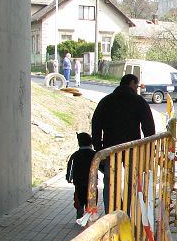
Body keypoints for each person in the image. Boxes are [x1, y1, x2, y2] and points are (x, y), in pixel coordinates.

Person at [91, 73, 156, 209]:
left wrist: (98, 148)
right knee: (131, 180)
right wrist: (150, 148)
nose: (137, 88)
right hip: (131, 148)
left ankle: (111, 212)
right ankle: (127, 211)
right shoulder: (138, 101)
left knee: (110, 181)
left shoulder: (106, 101)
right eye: (136, 85)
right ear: (132, 83)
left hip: (110, 149)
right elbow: (148, 126)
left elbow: (96, 125)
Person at [66, 132, 96, 219]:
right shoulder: (94, 154)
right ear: (91, 142)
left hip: (78, 181)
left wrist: (69, 177)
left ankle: (80, 209)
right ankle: (89, 213)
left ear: (79, 143)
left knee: (79, 197)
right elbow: (100, 166)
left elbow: (70, 167)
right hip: (91, 181)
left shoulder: (75, 155)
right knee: (90, 197)